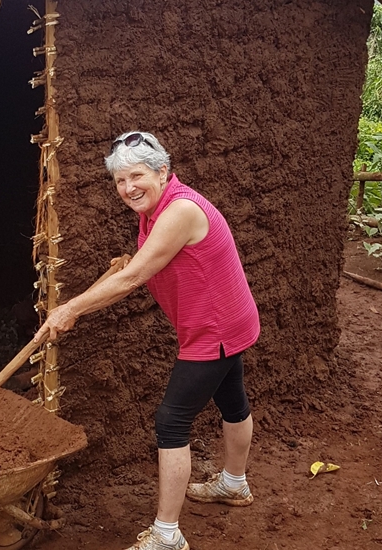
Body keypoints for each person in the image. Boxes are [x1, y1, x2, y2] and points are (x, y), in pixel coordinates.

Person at [34, 131, 260, 550]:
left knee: (171, 422)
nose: (128, 188)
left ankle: (167, 535)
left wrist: (70, 309)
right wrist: (131, 265)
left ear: (163, 172)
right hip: (228, 319)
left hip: (215, 329)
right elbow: (144, 265)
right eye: (120, 181)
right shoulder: (157, 209)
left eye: (136, 176)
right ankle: (233, 484)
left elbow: (135, 277)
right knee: (233, 401)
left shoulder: (180, 211)